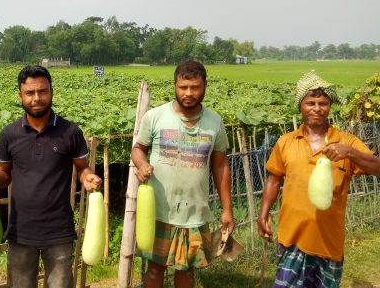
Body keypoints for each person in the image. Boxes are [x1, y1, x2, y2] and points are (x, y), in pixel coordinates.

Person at [0, 65, 102, 288]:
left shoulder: (71, 132)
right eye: (30, 93)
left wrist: (88, 177)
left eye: (42, 91)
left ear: (51, 91)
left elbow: (82, 167)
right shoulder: (9, 134)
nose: (37, 98)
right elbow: (5, 175)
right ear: (20, 95)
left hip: (59, 231)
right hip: (21, 230)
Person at [257, 71, 380, 288]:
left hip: (328, 243)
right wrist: (263, 214)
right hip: (291, 238)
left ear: (330, 105)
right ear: (300, 106)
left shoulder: (346, 141)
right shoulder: (286, 142)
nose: (317, 108)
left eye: (322, 103)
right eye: (310, 102)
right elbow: (273, 179)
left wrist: (350, 153)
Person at [131, 60, 235, 288]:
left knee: (186, 270)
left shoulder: (214, 122)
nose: (188, 93)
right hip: (158, 210)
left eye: (195, 87)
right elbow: (138, 149)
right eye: (183, 87)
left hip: (194, 212)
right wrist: (141, 165)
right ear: (175, 86)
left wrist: (227, 210)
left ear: (205, 86)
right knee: (154, 269)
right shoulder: (155, 116)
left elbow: (220, 166)